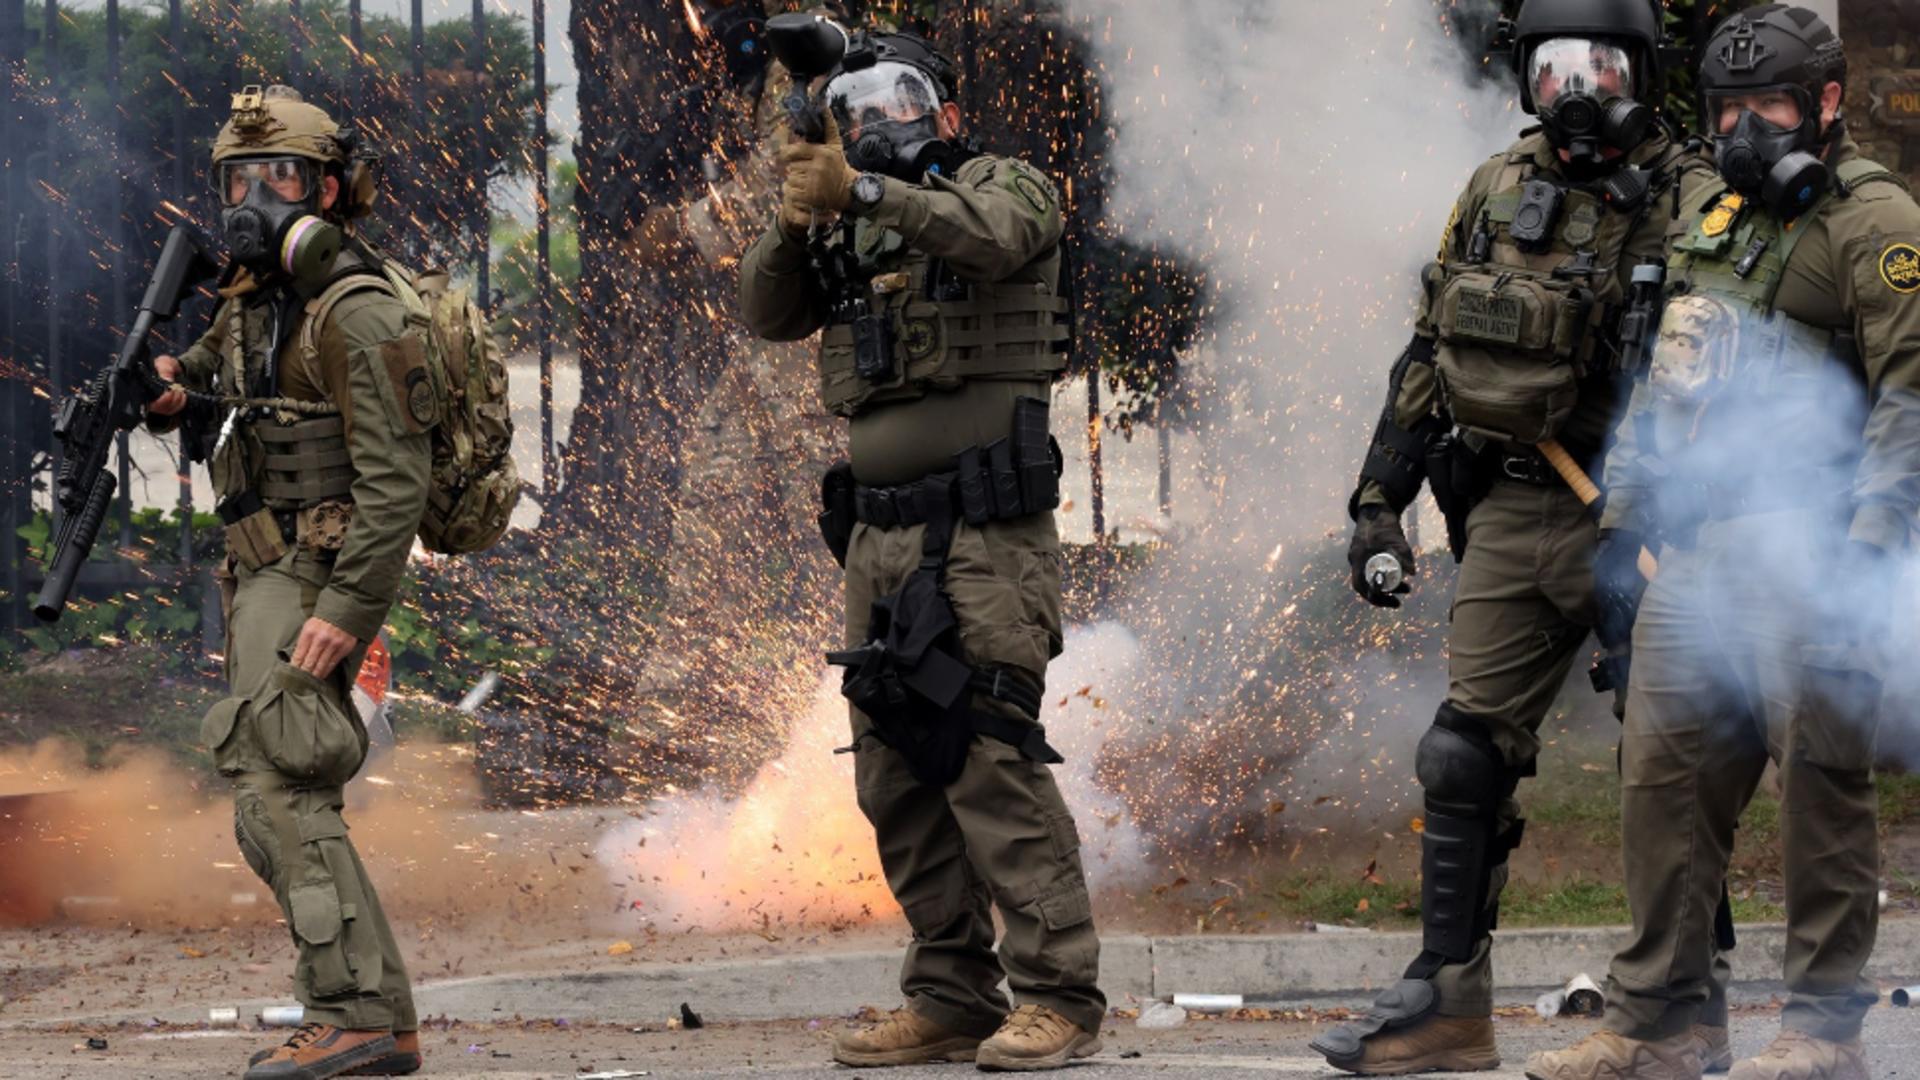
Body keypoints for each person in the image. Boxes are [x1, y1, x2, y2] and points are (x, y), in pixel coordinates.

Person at [1312, 0, 1730, 1073]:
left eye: (1599, 69)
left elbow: (1714, 389)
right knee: (1462, 754)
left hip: (1645, 519)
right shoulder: (1499, 188)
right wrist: (1376, 502)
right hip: (1512, 506)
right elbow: (1431, 345)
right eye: (1553, 72)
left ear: (1645, 71)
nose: (1576, 94)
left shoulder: (1695, 202)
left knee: (1669, 765)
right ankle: (1450, 1006)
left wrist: (1659, 531)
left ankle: (1678, 1009)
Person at [1526, 7, 1920, 1078]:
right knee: (1660, 785)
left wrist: (1871, 545)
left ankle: (1822, 1031)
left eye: (1771, 107)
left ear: (1828, 105)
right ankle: (1664, 1021)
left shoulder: (1874, 220)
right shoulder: (1708, 207)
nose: (1745, 128)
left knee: (1821, 792)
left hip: (1810, 550)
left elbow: (1909, 397)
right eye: (1728, 108)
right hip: (1693, 554)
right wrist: (1624, 528)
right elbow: (1672, 374)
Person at [737, 22, 1104, 1072]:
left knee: (990, 754)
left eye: (899, 101)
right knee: (894, 770)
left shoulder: (1008, 183)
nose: (875, 123)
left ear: (944, 112)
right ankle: (951, 991)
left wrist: (860, 193)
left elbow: (988, 237)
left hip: (987, 532)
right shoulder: (848, 225)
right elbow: (766, 311)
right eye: (855, 110)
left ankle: (1061, 996)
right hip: (880, 539)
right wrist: (797, 207)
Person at [148, 85, 430, 1080]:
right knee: (286, 784)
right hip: (266, 563)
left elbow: (400, 482)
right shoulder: (258, 301)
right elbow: (222, 380)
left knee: (276, 788)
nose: (255, 199)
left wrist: (345, 612)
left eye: (281, 178)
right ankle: (380, 1015)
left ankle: (348, 1012)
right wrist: (169, 384)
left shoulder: (355, 307)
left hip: (320, 566)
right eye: (239, 178)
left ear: (332, 190)